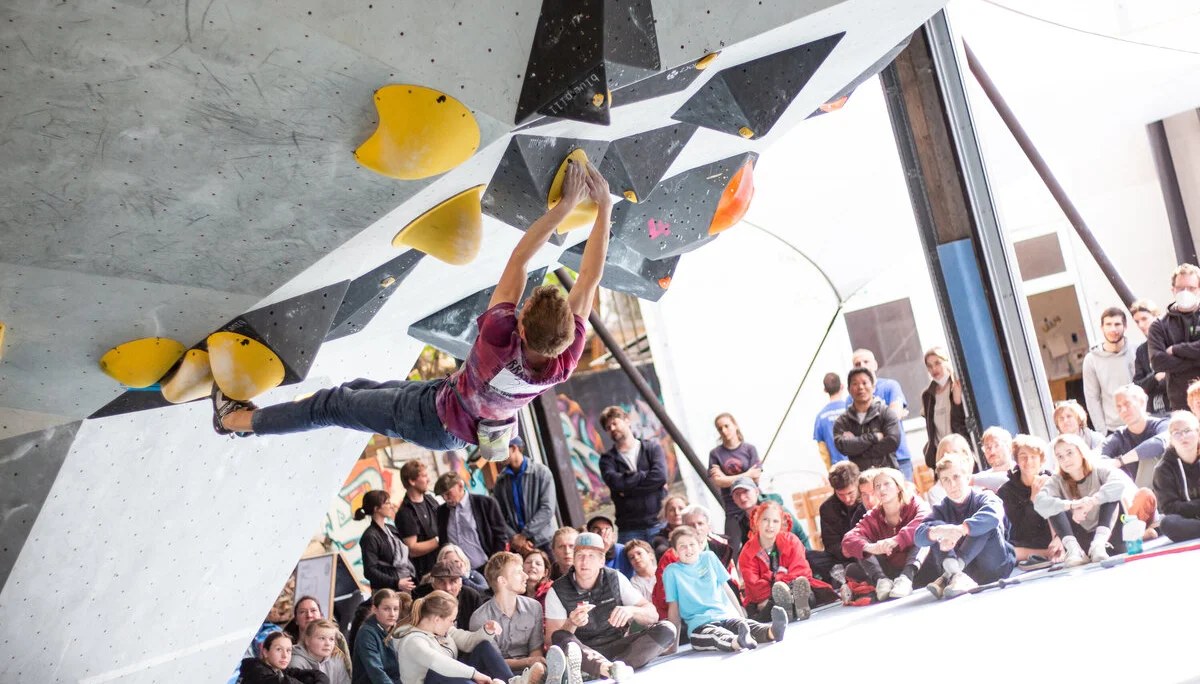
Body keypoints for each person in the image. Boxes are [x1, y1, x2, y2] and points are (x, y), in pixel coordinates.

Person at [213, 162, 610, 456]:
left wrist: (572, 206)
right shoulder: (563, 362)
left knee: (329, 406)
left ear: (520, 328)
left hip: (434, 417)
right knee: (357, 393)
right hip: (451, 412)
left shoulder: (499, 339)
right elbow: (589, 280)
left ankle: (236, 421)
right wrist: (604, 209)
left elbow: (521, 261)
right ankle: (263, 419)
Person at [545, 533, 676, 681]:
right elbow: (552, 642)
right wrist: (572, 623)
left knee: (667, 629)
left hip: (621, 647)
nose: (584, 561)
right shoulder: (557, 590)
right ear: (573, 559)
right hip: (584, 652)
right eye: (580, 555)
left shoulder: (615, 578)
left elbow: (653, 615)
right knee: (560, 635)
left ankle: (607, 670)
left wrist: (631, 611)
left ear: (602, 560)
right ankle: (605, 669)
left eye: (591, 556)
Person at [664, 526, 787, 653]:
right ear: (674, 551)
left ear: (700, 545)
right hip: (700, 626)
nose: (688, 549)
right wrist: (672, 646)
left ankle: (772, 632)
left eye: (692, 544)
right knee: (714, 635)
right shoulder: (671, 572)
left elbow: (727, 590)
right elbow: (673, 609)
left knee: (746, 626)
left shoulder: (709, 558)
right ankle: (737, 642)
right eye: (682, 546)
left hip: (725, 616)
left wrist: (741, 618)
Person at [915, 452, 1016, 599]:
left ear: (968, 478)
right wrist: (941, 531)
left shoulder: (984, 497)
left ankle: (951, 573)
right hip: (967, 572)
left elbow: (994, 515)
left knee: (984, 522)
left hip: (993, 567)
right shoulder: (941, 508)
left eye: (956, 477)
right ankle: (956, 575)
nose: (952, 484)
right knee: (936, 528)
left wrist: (962, 529)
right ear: (941, 484)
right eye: (946, 480)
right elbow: (918, 537)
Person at [395, 590, 540, 684]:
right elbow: (438, 662)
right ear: (437, 619)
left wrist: (487, 630)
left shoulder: (443, 630)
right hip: (435, 679)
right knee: (440, 672)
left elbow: (468, 641)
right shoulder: (413, 641)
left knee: (483, 647)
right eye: (451, 620)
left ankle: (513, 682)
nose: (453, 623)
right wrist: (475, 674)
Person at [1034, 434, 1135, 566]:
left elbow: (1121, 483)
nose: (1065, 459)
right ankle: (1074, 550)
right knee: (1053, 504)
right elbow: (1039, 502)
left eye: (1070, 453)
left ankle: (1099, 543)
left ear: (1081, 452)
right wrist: (1073, 505)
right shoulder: (1056, 480)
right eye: (1060, 456)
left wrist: (1093, 501)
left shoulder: (1098, 469)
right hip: (1082, 537)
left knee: (1112, 494)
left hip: (1110, 537)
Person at [470, 553, 565, 680]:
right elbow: (493, 661)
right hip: (497, 676)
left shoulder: (534, 607)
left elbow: (535, 650)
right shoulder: (480, 618)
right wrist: (528, 662)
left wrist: (535, 666)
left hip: (531, 672)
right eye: (518, 572)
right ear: (502, 581)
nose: (525, 576)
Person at [841, 468, 931, 601]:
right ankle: (881, 581)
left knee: (925, 532)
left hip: (919, 567)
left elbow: (926, 518)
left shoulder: (913, 502)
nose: (882, 489)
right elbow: (848, 540)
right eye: (877, 486)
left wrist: (896, 540)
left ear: (898, 487)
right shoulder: (873, 515)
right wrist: (871, 548)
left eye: (887, 484)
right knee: (857, 556)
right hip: (891, 570)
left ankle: (906, 577)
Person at [737, 501, 827, 622]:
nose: (770, 525)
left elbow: (802, 572)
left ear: (781, 523)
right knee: (765, 607)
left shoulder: (791, 541)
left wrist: (778, 583)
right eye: (765, 520)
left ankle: (791, 605)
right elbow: (754, 588)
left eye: (775, 521)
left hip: (794, 589)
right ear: (757, 521)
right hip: (764, 599)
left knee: (806, 593)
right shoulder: (747, 552)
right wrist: (779, 585)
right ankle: (785, 607)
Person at [650, 505, 738, 619]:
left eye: (700, 523)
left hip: (722, 610)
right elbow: (664, 597)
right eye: (691, 525)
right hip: (689, 616)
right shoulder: (670, 557)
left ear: (708, 527)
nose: (696, 528)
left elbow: (732, 584)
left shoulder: (722, 550)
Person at [598, 406, 669, 545]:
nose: (612, 428)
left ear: (627, 421)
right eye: (607, 427)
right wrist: (645, 476)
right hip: (630, 529)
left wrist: (628, 489)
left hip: (659, 523)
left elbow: (660, 477)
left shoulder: (652, 448)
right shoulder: (607, 460)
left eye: (614, 423)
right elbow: (616, 484)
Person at [849, 349, 915, 480]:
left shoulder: (890, 386)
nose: (862, 366)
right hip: (870, 463)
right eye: (857, 364)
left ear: (875, 364)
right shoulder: (850, 398)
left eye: (866, 361)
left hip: (899, 457)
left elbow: (894, 416)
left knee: (905, 499)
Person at [996, 435, 1058, 563]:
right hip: (1028, 543)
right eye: (1023, 457)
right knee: (1006, 549)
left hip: (1056, 537)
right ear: (1017, 461)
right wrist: (1033, 501)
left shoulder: (1053, 480)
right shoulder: (1006, 491)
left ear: (1042, 460)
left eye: (1033, 457)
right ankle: (1048, 553)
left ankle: (1058, 548)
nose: (1028, 461)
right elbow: (1022, 531)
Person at [492, 435, 557, 556]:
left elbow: (547, 509)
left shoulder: (542, 472)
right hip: (518, 546)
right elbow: (498, 515)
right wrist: (514, 538)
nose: (498, 456)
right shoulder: (501, 481)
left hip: (545, 541)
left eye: (501, 450)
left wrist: (524, 535)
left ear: (514, 448)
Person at [435, 472, 513, 571]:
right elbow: (443, 541)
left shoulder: (486, 504)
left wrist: (493, 564)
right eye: (442, 496)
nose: (445, 498)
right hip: (456, 572)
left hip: (486, 567)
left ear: (460, 485)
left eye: (448, 493)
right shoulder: (442, 511)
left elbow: (501, 536)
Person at [806, 460, 866, 588]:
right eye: (841, 495)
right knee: (809, 557)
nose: (847, 499)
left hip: (868, 551)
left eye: (850, 493)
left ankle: (848, 576)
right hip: (844, 557)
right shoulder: (827, 508)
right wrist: (842, 551)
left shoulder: (868, 499)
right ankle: (848, 575)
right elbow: (830, 544)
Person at [1149, 263, 1200, 411]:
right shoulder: (1159, 326)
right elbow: (1158, 362)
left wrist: (1177, 349)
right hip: (1181, 403)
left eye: (1191, 288)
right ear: (1173, 290)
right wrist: (1195, 359)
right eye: (1180, 288)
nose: (1185, 292)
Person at [833, 368, 902, 474]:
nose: (860, 387)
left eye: (865, 383)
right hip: (860, 479)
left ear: (873, 387)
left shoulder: (886, 413)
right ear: (849, 390)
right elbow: (842, 446)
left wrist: (859, 450)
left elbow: (892, 441)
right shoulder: (842, 422)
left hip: (888, 474)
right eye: (855, 384)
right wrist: (874, 437)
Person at [708, 412, 763, 542]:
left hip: (753, 503)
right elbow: (718, 482)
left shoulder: (749, 449)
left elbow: (755, 477)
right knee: (732, 547)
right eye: (720, 428)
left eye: (727, 426)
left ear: (735, 425)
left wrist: (726, 478)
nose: (724, 431)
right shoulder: (715, 454)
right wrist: (747, 474)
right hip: (732, 507)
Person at [1101, 384, 1169, 488]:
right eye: (1119, 407)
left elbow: (1159, 444)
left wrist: (1121, 461)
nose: (1123, 410)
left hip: (1167, 490)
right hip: (1136, 496)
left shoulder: (1162, 425)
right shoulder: (1120, 436)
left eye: (1127, 404)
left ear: (1142, 402)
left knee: (1148, 457)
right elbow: (1099, 455)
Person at [1083, 306, 1137, 435]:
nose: (1113, 329)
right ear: (1102, 328)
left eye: (1117, 324)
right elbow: (1092, 398)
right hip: (1113, 429)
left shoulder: (1136, 351)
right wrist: (1102, 432)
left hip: (1140, 421)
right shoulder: (1091, 359)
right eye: (1108, 324)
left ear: (1125, 327)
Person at [355, 490, 418, 593]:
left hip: (404, 588)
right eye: (387, 503)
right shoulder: (370, 536)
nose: (391, 506)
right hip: (387, 592)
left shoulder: (391, 529)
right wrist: (396, 582)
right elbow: (370, 571)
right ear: (376, 508)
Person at [727, 477, 808, 555]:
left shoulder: (775, 510)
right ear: (733, 499)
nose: (742, 497)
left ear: (756, 491)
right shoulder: (743, 521)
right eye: (737, 494)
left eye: (746, 491)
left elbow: (787, 543)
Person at [1153, 411, 1200, 542]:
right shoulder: (1163, 469)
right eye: (1177, 433)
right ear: (1171, 440)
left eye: (1187, 431)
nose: (1183, 436)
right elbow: (1169, 508)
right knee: (1168, 523)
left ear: (1198, 433)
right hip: (1187, 519)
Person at [920, 346, 969, 470]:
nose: (934, 369)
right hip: (941, 454)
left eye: (937, 363)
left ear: (947, 362)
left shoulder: (956, 386)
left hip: (959, 449)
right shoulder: (928, 395)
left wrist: (957, 402)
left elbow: (963, 420)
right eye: (930, 366)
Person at [398, 460, 442, 579]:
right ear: (412, 481)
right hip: (429, 574)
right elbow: (412, 549)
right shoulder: (405, 513)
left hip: (444, 564)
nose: (428, 480)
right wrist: (440, 540)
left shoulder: (430, 500)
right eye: (424, 476)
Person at [414, 561, 488, 630]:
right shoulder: (421, 598)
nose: (447, 588)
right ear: (433, 585)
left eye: (453, 581)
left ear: (460, 583)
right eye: (441, 582)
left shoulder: (472, 597)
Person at [351, 589, 402, 684]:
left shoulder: (398, 631)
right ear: (374, 609)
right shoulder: (366, 633)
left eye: (396, 609)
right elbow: (376, 672)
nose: (392, 614)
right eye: (386, 609)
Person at [242, 631, 330, 684]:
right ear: (265, 652)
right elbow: (286, 682)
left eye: (288, 650)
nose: (285, 655)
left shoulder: (280, 670)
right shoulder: (257, 672)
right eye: (279, 649)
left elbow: (320, 675)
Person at [1130, 299, 1168, 415]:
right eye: (1137, 321)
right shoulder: (1142, 350)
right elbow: (1138, 386)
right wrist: (1156, 377)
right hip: (1159, 410)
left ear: (1156, 316)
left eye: (1144, 319)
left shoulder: (1173, 339)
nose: (1141, 325)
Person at [292, 619, 352, 684]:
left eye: (331, 639)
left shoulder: (337, 658)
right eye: (322, 638)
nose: (328, 644)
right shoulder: (296, 662)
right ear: (307, 641)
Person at [813, 372, 851, 470]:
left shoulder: (820, 417)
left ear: (825, 390)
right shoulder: (851, 409)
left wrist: (831, 470)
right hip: (857, 464)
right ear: (842, 386)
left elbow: (823, 451)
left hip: (838, 469)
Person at [972, 427, 1014, 492]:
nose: (992, 451)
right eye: (987, 447)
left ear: (1009, 447)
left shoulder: (1022, 474)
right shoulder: (978, 485)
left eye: (997, 446)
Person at [650, 494, 688, 558]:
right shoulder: (660, 538)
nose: (677, 513)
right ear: (666, 515)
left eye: (681, 508)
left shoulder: (697, 528)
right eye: (671, 510)